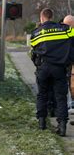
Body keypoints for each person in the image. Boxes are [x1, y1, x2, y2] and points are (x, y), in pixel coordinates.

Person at [30, 8, 74, 136]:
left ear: (42, 18)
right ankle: (62, 126)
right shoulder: (65, 29)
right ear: (52, 16)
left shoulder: (36, 33)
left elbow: (33, 51)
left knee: (42, 94)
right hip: (59, 68)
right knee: (61, 97)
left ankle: (42, 122)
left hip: (43, 68)